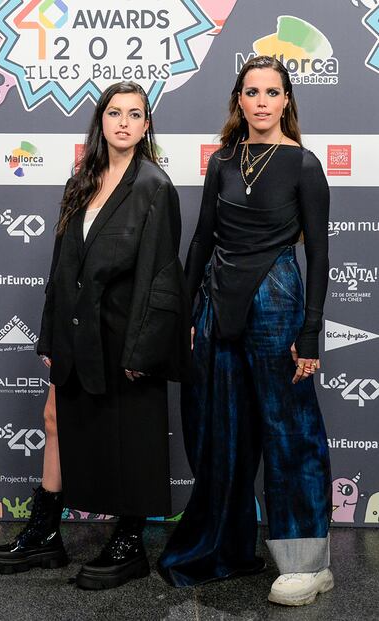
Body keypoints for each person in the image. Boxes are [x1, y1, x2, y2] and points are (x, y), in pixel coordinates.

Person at [0, 81, 191, 590]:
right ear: (101, 121)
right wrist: (51, 339)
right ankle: (45, 534)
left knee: (134, 433)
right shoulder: (81, 180)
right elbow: (61, 268)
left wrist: (143, 347)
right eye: (114, 112)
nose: (123, 122)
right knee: (55, 419)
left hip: (126, 334)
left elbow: (161, 274)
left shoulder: (153, 186)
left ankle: (129, 541)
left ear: (146, 125)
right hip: (76, 332)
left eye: (134, 114)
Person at [158, 56, 333, 607]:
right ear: (240, 99)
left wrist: (310, 335)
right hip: (216, 299)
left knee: (290, 428)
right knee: (221, 428)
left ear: (287, 101)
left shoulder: (304, 164)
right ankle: (227, 547)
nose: (261, 101)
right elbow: (201, 240)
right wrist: (187, 316)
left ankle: (306, 566)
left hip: (277, 297)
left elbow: (322, 258)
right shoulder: (222, 162)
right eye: (251, 91)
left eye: (272, 92)